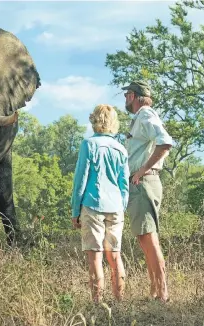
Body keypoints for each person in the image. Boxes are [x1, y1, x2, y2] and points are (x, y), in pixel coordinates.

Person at [71, 104, 129, 303]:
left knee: (95, 258)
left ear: (94, 120)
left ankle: (97, 305)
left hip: (92, 205)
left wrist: (75, 210)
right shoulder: (121, 148)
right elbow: (124, 185)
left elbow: (80, 180)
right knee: (115, 256)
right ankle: (119, 303)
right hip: (116, 207)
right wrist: (123, 207)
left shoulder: (88, 144)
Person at [122, 80, 172, 302]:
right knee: (144, 238)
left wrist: (141, 171)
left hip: (143, 183)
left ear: (133, 96)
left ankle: (162, 294)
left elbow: (165, 143)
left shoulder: (145, 115)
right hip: (142, 184)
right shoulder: (140, 118)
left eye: (126, 95)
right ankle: (154, 290)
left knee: (148, 238)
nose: (125, 99)